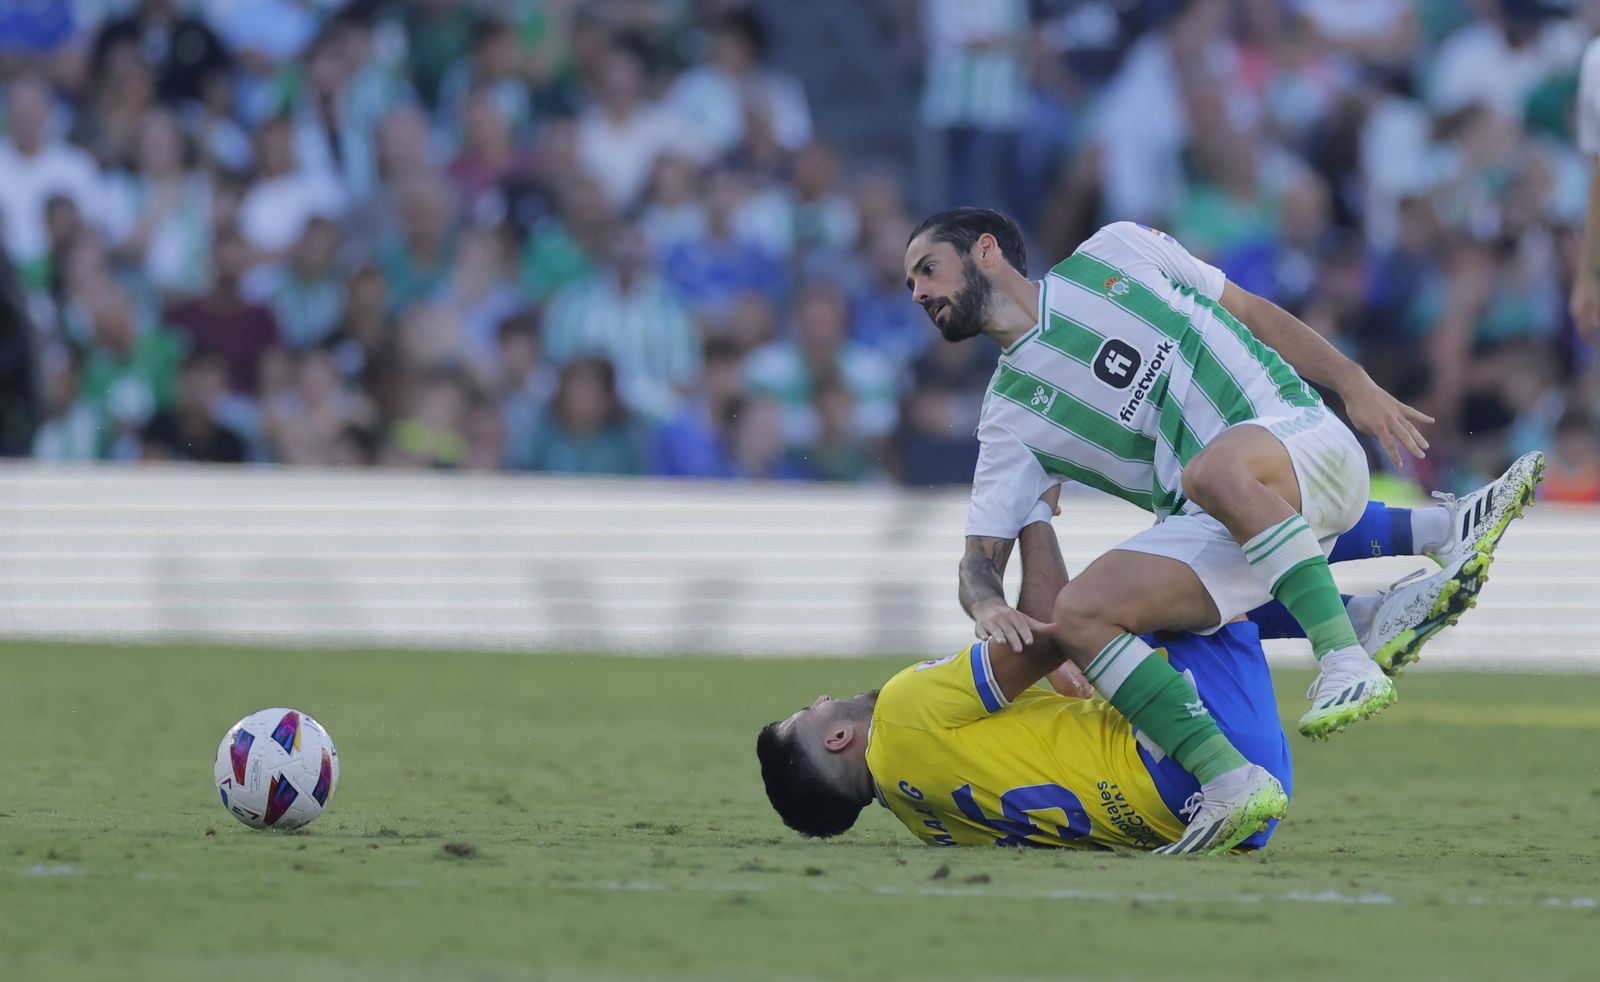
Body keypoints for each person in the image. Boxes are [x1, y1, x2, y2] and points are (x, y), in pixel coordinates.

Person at [902, 208, 1544, 850]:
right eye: (910, 287)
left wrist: (1352, 383)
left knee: (1210, 472)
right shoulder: (1009, 417)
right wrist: (984, 601)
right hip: (1231, 524)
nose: (920, 294)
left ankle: (1345, 655)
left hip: (1300, 440)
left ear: (986, 250)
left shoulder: (1116, 252)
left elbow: (1249, 309)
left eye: (928, 270)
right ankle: (1233, 776)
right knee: (1082, 613)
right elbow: (979, 555)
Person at [757, 489, 1498, 853]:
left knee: (1170, 598)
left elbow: (1052, 705)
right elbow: (1060, 628)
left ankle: (1363, 623)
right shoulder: (908, 709)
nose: (821, 698)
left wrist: (1081, 670)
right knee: (1210, 514)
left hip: (1225, 824)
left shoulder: (930, 825)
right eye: (809, 711)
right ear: (834, 741)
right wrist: (1029, 506)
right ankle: (1430, 534)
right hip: (1202, 762)